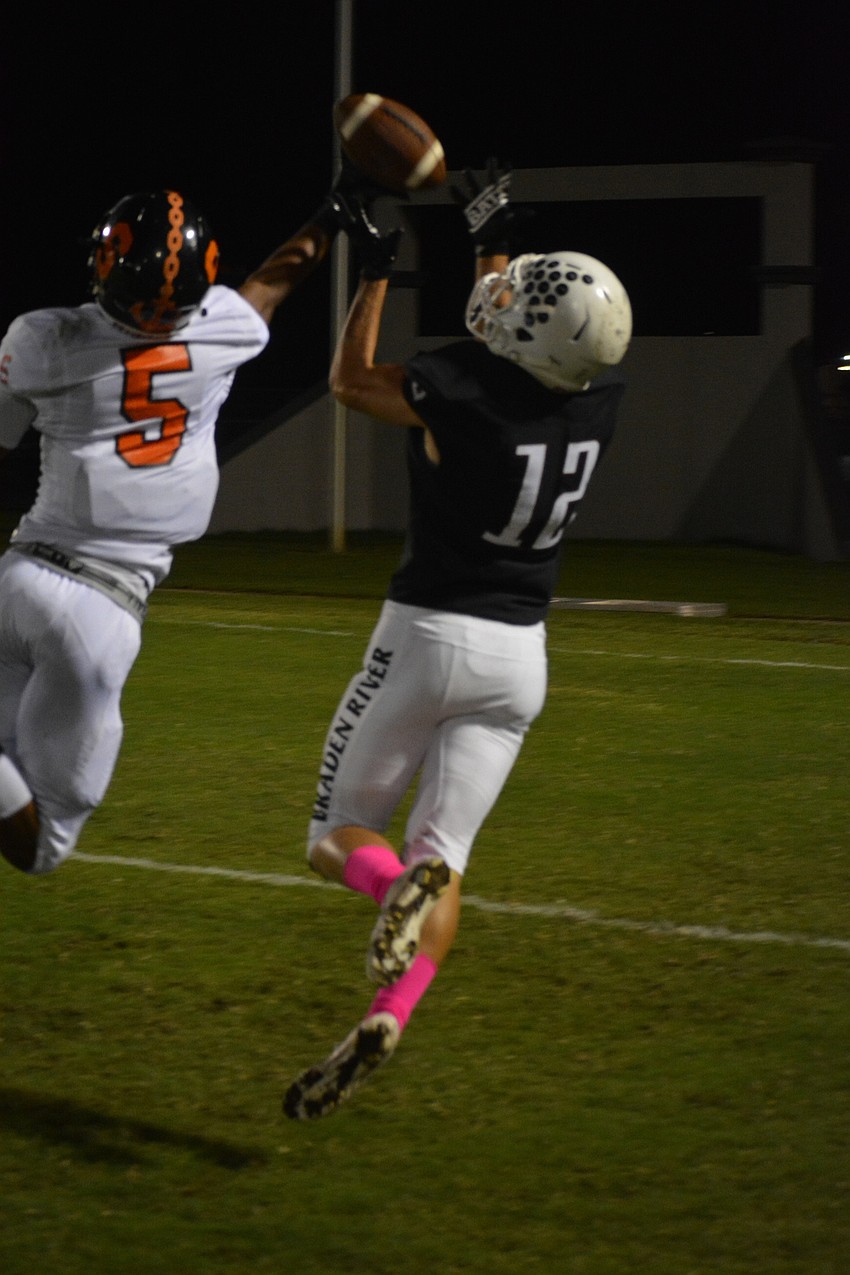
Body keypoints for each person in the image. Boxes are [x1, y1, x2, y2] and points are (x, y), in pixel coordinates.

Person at [283, 163, 632, 1120]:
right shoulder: (593, 395)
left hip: (431, 635)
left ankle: (391, 886)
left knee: (333, 836)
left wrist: (377, 269)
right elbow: (509, 324)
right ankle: (394, 1007)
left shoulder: (465, 390)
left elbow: (351, 381)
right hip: (522, 663)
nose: (511, 292)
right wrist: (491, 235)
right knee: (449, 859)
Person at [0, 183, 352, 876]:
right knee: (41, 847)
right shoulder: (218, 326)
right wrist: (333, 214)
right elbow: (275, 281)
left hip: (19, 576)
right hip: (101, 605)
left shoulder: (47, 338)